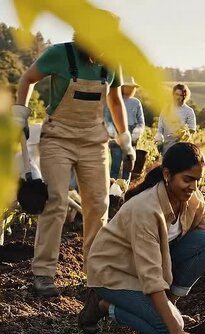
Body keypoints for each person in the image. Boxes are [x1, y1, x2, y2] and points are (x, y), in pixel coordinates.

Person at [78, 143, 205, 334]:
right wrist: (176, 332)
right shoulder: (145, 210)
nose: (193, 187)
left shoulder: (193, 199)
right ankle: (102, 305)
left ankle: (168, 308)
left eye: (198, 180)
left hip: (144, 267)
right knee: (163, 327)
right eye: (187, 179)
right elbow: (151, 275)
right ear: (167, 174)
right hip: (114, 272)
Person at [12, 29, 135, 297]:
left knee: (98, 205)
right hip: (58, 138)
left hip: (94, 141)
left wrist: (125, 138)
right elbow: (28, 78)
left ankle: (95, 274)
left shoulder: (112, 62)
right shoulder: (59, 53)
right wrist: (20, 113)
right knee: (55, 201)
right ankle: (43, 274)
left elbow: (114, 100)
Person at [104, 76, 145, 181]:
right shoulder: (112, 100)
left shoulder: (136, 103)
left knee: (128, 166)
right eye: (127, 86)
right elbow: (107, 119)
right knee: (115, 165)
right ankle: (113, 191)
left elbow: (141, 122)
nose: (129, 89)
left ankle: (124, 190)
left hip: (132, 137)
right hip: (117, 135)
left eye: (131, 87)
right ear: (121, 87)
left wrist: (137, 132)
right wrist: (112, 131)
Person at [155, 83, 196, 156]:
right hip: (166, 148)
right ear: (173, 95)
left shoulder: (189, 111)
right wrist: (159, 141)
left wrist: (183, 135)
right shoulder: (166, 109)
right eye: (176, 94)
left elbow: (192, 130)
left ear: (185, 96)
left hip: (181, 148)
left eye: (181, 95)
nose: (178, 97)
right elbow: (160, 127)